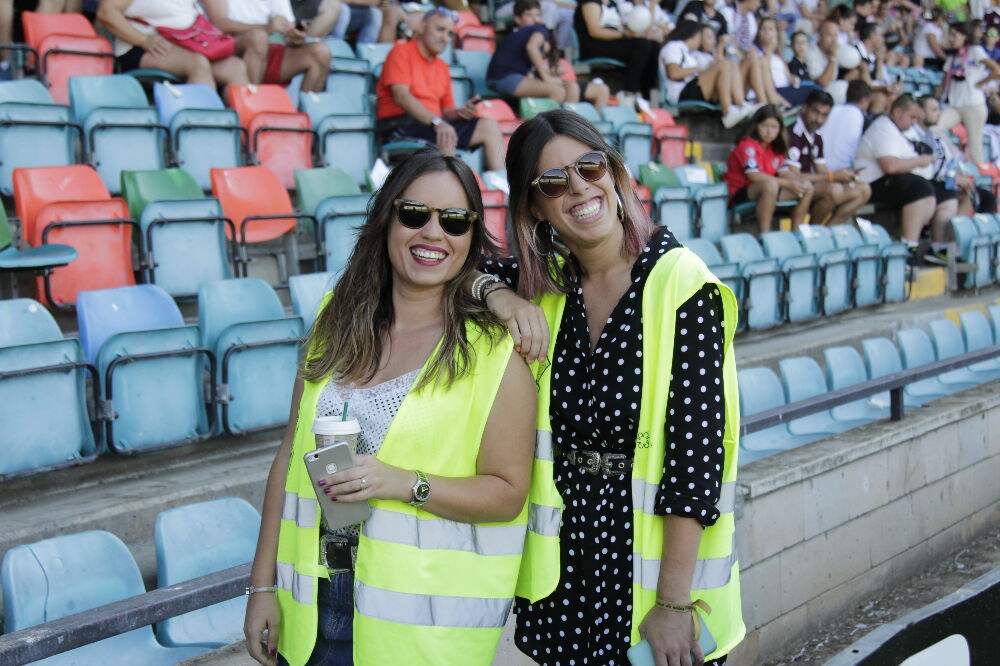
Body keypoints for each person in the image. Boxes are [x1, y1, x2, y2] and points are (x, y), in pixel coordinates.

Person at [242, 149, 537, 666]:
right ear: (387, 219)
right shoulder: (337, 322)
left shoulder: (493, 351)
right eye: (415, 214)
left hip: (416, 628)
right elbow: (289, 457)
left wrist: (402, 482)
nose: (433, 233)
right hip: (310, 599)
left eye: (455, 221)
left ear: (470, 237)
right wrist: (261, 586)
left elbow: (508, 494)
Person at [479, 108, 745, 666]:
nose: (578, 187)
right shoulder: (545, 286)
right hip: (566, 571)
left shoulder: (682, 282)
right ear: (535, 208)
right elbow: (450, 273)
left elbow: (695, 458)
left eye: (589, 166)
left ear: (615, 172)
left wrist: (673, 602)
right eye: (553, 182)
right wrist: (496, 295)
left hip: (649, 569)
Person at [376, 7, 505, 171]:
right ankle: (449, 190)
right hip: (401, 124)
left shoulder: (442, 67)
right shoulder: (400, 52)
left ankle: (505, 189)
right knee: (445, 134)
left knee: (489, 126)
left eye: (450, 33)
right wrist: (437, 122)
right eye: (440, 29)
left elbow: (447, 111)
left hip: (431, 125)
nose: (445, 38)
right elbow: (402, 97)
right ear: (422, 27)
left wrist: (459, 113)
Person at [854, 93, 945, 264]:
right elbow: (890, 166)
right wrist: (920, 161)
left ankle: (933, 248)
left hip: (892, 182)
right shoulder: (883, 128)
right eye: (912, 117)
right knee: (919, 189)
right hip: (870, 185)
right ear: (897, 111)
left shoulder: (903, 130)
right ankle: (908, 249)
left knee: (942, 190)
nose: (914, 122)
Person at [97, 0, 249, 90]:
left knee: (235, 67)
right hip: (140, 48)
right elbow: (106, 12)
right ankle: (203, 129)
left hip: (187, 45)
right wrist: (143, 40)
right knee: (197, 63)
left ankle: (242, 137)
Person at [487, 0, 610, 108]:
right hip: (505, 78)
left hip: (504, 78)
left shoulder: (519, 34)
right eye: (529, 15)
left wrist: (548, 73)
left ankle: (570, 128)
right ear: (517, 19)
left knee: (570, 88)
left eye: (537, 15)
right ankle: (547, 130)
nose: (535, 19)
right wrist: (547, 78)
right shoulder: (538, 29)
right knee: (558, 91)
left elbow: (531, 60)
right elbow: (532, 47)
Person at [202, 0, 332, 92]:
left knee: (321, 52)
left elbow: (288, 31)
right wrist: (266, 28)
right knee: (258, 38)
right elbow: (219, 23)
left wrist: (296, 36)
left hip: (262, 51)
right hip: (224, 48)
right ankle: (251, 107)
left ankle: (304, 123)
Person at [785, 88, 871, 225]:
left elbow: (822, 171)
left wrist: (844, 176)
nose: (819, 119)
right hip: (792, 188)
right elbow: (793, 176)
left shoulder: (817, 137)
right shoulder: (792, 134)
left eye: (824, 115)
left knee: (863, 190)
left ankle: (827, 231)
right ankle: (814, 229)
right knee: (834, 190)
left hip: (812, 186)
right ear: (805, 108)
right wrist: (832, 177)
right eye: (815, 112)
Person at [724, 104, 814, 232]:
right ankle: (765, 235)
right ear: (756, 126)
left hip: (768, 190)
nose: (769, 132)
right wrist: (787, 184)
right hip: (738, 193)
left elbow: (784, 172)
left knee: (807, 188)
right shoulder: (747, 145)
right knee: (770, 185)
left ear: (780, 129)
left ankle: (797, 234)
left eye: (774, 127)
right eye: (764, 126)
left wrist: (798, 182)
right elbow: (754, 176)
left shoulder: (774, 148)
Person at [660, 20, 765, 128]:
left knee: (730, 64)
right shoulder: (674, 46)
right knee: (723, 65)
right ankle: (728, 112)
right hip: (680, 94)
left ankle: (741, 104)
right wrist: (697, 69)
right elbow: (673, 73)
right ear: (693, 35)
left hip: (692, 88)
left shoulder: (686, 51)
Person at [935, 21, 1000, 165]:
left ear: (964, 36)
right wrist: (933, 99)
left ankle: (979, 179)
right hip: (955, 105)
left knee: (975, 147)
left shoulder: (974, 51)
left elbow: (996, 70)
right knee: (934, 129)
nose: (951, 38)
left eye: (954, 35)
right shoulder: (952, 57)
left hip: (974, 105)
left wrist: (981, 83)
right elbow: (942, 84)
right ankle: (955, 155)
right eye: (950, 35)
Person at [573, 0, 661, 103]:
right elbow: (594, 31)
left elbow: (620, 28)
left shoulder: (613, 4)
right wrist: (625, 35)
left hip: (612, 42)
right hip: (593, 45)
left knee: (653, 46)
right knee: (642, 45)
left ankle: (648, 94)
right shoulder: (590, 2)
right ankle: (630, 91)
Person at [910, 94, 977, 217]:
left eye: (939, 110)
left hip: (939, 182)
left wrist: (958, 179)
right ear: (921, 113)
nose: (939, 113)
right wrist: (952, 180)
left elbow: (951, 164)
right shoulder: (911, 134)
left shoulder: (937, 137)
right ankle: (941, 235)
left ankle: (955, 234)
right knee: (949, 195)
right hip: (921, 183)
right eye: (934, 110)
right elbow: (925, 170)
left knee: (970, 193)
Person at [755, 16, 815, 106]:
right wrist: (769, 50)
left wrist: (793, 79)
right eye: (763, 29)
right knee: (813, 91)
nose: (767, 32)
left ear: (776, 33)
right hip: (774, 90)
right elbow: (763, 72)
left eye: (771, 29)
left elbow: (788, 75)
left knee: (815, 90)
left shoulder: (778, 55)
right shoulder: (757, 52)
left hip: (787, 88)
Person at [819, 79, 873, 171]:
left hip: (817, 165)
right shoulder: (863, 118)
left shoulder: (831, 109)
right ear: (864, 100)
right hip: (841, 171)